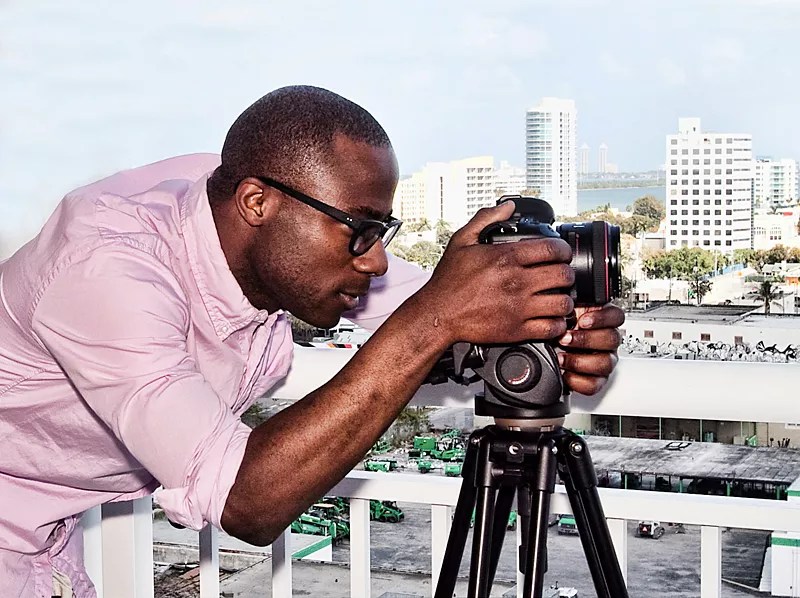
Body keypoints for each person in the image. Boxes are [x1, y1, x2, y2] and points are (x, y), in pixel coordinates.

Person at [0, 85, 624, 597]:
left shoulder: (246, 204)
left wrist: (532, 329)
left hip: (43, 539)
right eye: (361, 231)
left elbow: (424, 305)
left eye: (383, 231)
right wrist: (437, 320)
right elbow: (247, 501)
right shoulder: (106, 268)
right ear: (257, 203)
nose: (377, 261)